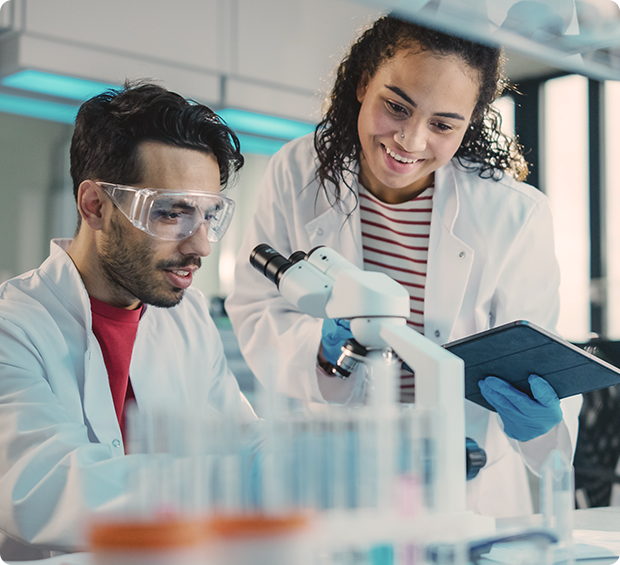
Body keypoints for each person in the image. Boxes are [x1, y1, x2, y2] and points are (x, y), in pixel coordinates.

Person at [226, 16, 582, 518]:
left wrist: (543, 425)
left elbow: (534, 358)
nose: (410, 141)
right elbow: (256, 307)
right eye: (396, 107)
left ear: (470, 124)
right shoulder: (297, 172)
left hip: (468, 489)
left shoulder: (515, 214)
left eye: (442, 125)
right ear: (361, 83)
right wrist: (325, 352)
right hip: (334, 475)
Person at [0, 82, 258, 559]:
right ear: (94, 205)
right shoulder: (12, 327)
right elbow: (42, 487)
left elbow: (240, 436)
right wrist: (233, 483)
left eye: (208, 215)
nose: (201, 245)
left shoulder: (189, 316)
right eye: (172, 213)